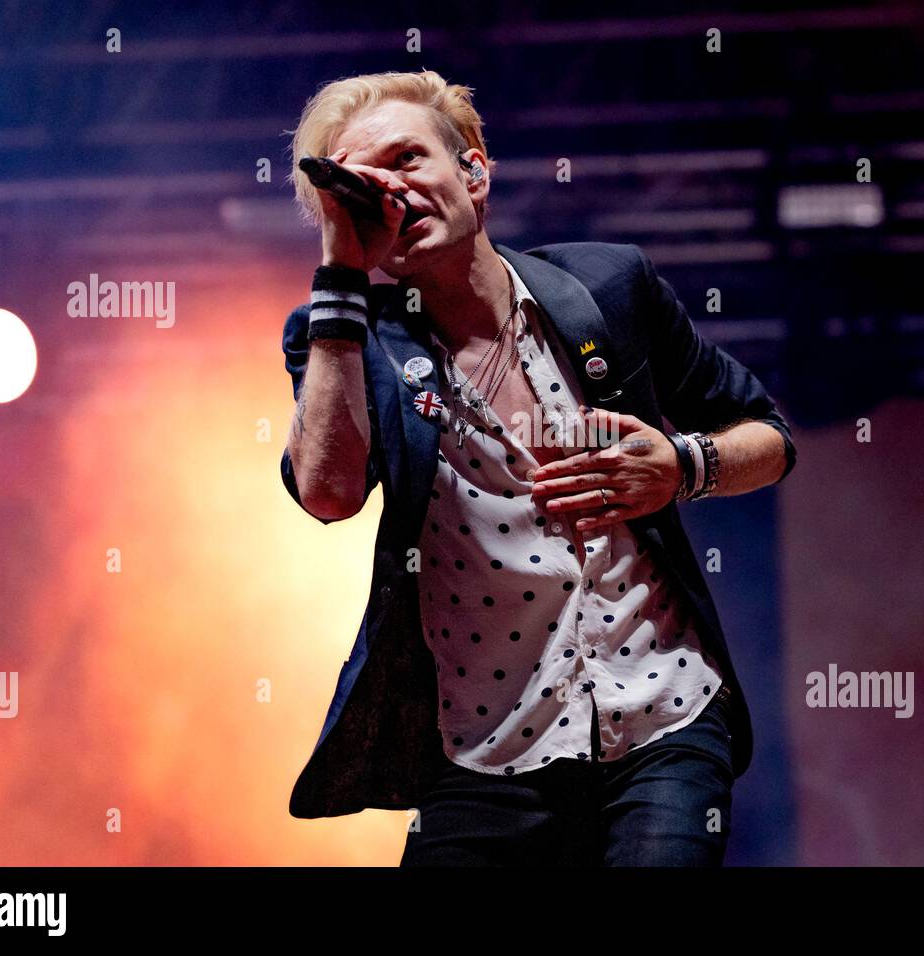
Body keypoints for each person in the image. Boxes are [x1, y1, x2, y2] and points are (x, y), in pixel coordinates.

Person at [280, 70, 797, 866]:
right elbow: (328, 493)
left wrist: (682, 467)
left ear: (475, 173)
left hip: (662, 713)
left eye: (409, 160)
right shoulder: (347, 338)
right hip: (486, 749)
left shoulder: (606, 286)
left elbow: (768, 436)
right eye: (360, 182)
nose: (391, 191)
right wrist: (341, 276)